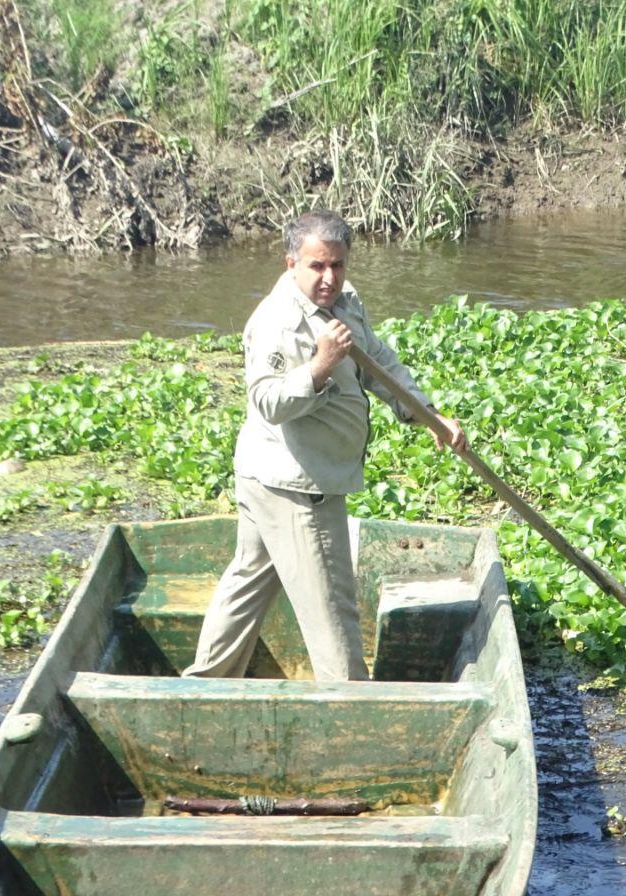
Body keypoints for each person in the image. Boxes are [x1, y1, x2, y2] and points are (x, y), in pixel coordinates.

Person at [183, 209, 467, 681]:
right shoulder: (278, 322)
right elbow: (267, 401)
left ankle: (202, 685)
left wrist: (427, 415)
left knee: (247, 584)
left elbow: (380, 363)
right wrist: (319, 365)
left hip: (267, 473)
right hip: (297, 487)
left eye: (337, 265)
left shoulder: (345, 303)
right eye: (317, 266)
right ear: (290, 263)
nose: (328, 278)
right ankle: (351, 709)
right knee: (333, 612)